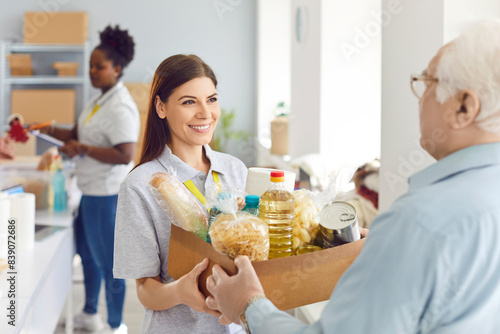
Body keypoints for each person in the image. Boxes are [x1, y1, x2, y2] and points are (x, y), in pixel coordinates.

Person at [205, 18, 500, 333]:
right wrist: (384, 251)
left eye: (427, 80)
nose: (420, 95)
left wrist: (249, 304)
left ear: (464, 107)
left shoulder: (417, 222)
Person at [113, 54, 248, 334]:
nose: (205, 113)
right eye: (189, 102)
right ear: (161, 107)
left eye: (211, 99)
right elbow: (145, 291)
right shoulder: (141, 184)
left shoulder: (235, 170)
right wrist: (180, 292)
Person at [41, 25, 139, 333]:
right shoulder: (99, 100)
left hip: (106, 196)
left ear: (118, 69)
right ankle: (89, 314)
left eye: (100, 66)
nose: (92, 71)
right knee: (86, 256)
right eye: (91, 66)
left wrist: (83, 149)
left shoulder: (120, 106)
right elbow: (74, 133)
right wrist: (41, 128)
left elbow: (125, 154)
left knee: (110, 264)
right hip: (89, 191)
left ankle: (116, 325)